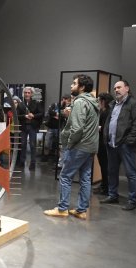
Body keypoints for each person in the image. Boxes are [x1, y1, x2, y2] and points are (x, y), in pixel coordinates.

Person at [44, 74, 99, 220]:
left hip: (79, 146)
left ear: (81, 87)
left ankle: (62, 209)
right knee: (85, 178)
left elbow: (78, 128)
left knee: (65, 176)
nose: (71, 86)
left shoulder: (80, 102)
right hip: (90, 146)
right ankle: (81, 210)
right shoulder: (92, 101)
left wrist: (69, 144)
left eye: (74, 83)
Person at [100, 80, 136, 211]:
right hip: (111, 143)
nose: (116, 90)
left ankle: (132, 200)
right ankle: (112, 195)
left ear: (127, 88)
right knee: (112, 171)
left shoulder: (135, 104)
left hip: (125, 145)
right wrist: (106, 137)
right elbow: (110, 122)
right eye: (114, 88)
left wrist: (129, 141)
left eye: (119, 87)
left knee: (131, 173)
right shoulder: (113, 104)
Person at [93, 92, 114, 195]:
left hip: (103, 142)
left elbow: (104, 127)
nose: (98, 103)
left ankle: (105, 187)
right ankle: (104, 185)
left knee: (104, 165)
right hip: (102, 142)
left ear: (103, 101)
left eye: (99, 100)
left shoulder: (107, 112)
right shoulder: (105, 112)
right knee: (103, 165)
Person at [19, 87, 43, 170]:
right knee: (23, 144)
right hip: (23, 127)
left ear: (31, 94)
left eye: (28, 93)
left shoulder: (36, 103)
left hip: (33, 127)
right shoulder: (20, 104)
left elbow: (41, 113)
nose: (27, 94)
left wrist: (34, 116)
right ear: (23, 94)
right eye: (25, 92)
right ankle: (22, 161)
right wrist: (25, 116)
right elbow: (17, 116)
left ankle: (33, 163)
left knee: (32, 145)